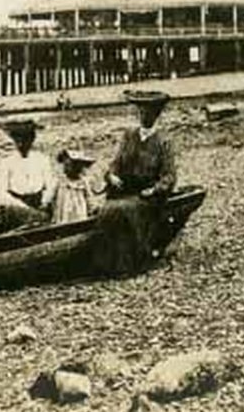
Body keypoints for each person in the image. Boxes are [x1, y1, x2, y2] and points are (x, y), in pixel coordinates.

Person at [95, 90, 177, 274]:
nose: (143, 116)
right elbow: (115, 164)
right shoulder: (129, 136)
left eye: (148, 112)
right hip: (124, 190)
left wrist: (155, 190)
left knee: (119, 210)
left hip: (147, 196)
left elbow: (169, 176)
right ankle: (107, 263)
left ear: (156, 114)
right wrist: (112, 176)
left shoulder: (163, 141)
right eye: (141, 111)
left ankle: (130, 263)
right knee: (108, 210)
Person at [0, 118, 55, 233]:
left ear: (32, 139)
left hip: (38, 205)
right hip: (15, 205)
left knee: (39, 218)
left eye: (26, 139)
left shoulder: (42, 160)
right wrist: (21, 208)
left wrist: (45, 202)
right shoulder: (7, 162)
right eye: (17, 139)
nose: (21, 143)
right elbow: (1, 193)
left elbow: (50, 186)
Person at [52, 149, 96, 223]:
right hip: (64, 214)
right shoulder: (60, 181)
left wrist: (92, 208)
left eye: (69, 165)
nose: (65, 168)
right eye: (65, 165)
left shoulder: (83, 182)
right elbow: (53, 196)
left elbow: (89, 197)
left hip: (79, 214)